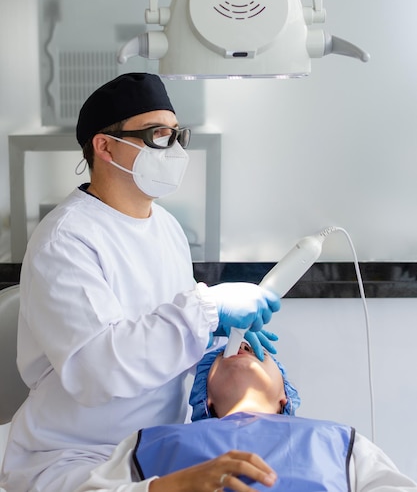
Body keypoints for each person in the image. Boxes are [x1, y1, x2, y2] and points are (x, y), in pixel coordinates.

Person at [0, 73, 280, 492]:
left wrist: (220, 340)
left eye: (177, 134)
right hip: (75, 458)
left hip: (156, 448)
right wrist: (206, 310)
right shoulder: (66, 240)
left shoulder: (166, 227)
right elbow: (99, 370)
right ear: (105, 145)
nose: (174, 149)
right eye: (157, 135)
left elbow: (158, 341)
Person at [72, 341, 417, 492]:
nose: (241, 347)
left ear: (284, 396)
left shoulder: (341, 443)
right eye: (222, 355)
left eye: (257, 350)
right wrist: (166, 488)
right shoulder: (150, 444)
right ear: (205, 398)